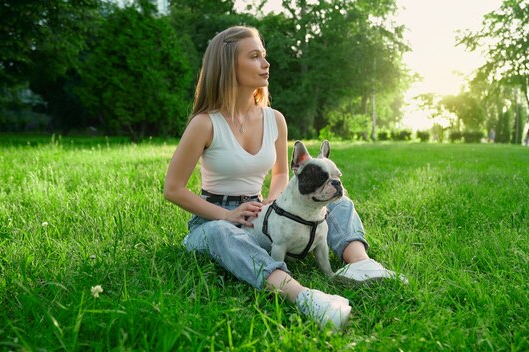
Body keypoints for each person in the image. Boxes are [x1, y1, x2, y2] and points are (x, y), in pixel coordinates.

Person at [163, 26, 403, 331]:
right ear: (227, 65)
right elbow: (172, 189)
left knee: (337, 204)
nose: (266, 63)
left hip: (261, 212)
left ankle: (361, 265)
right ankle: (305, 297)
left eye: (264, 55)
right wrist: (227, 214)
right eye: (254, 57)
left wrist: (274, 204)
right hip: (213, 218)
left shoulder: (274, 119)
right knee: (221, 233)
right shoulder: (204, 124)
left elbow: (279, 173)